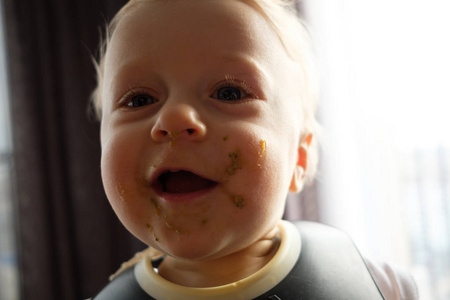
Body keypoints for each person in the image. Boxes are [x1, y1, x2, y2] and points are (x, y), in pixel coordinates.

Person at [90, 0, 418, 299]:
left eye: (229, 93)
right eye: (139, 100)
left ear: (300, 158)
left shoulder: (379, 286)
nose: (175, 117)